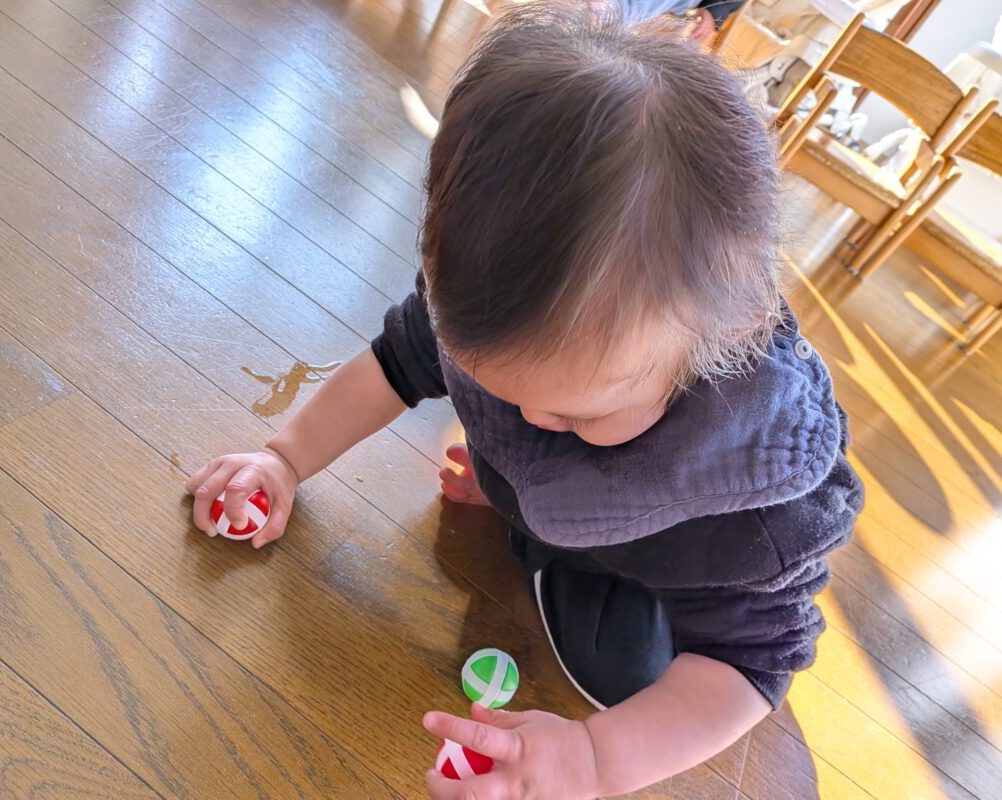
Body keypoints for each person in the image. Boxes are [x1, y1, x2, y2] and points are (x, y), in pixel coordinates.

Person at [186, 2, 863, 797]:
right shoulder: (515, 306)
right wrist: (285, 458)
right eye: (499, 395)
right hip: (566, 510)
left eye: (573, 417)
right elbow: (396, 363)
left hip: (667, 567)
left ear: (719, 340)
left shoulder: (754, 510)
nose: (532, 421)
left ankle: (570, 548)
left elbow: (750, 664)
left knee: (625, 679)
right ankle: (546, 501)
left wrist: (594, 757)